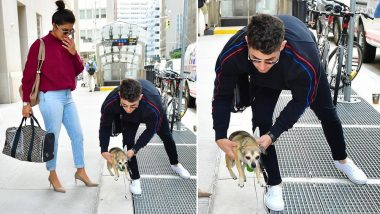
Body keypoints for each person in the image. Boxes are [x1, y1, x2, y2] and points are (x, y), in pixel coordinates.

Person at [212, 14, 368, 211]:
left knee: (328, 115)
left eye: (269, 60)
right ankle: (274, 183)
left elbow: (301, 101)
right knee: (261, 123)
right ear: (246, 43)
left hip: (296, 66)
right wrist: (219, 135)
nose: (261, 67)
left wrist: (275, 133)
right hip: (265, 84)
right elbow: (222, 96)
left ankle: (342, 160)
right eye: (255, 58)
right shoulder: (232, 53)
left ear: (282, 46)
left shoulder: (305, 59)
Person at [21, 0, 98, 193]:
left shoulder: (68, 44)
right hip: (50, 98)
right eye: (65, 30)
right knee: (52, 138)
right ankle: (52, 173)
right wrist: (26, 103)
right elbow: (28, 75)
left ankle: (80, 170)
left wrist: (74, 53)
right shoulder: (39, 46)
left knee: (78, 135)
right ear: (54, 26)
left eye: (71, 31)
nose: (68, 34)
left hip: (67, 96)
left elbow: (79, 70)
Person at [99, 78, 190, 195]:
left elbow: (151, 130)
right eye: (124, 105)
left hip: (148, 109)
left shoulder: (154, 106)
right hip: (129, 121)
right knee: (128, 143)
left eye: (132, 106)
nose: (128, 110)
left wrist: (136, 149)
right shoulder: (110, 102)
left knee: (167, 137)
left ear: (140, 97)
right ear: (119, 95)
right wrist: (104, 149)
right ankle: (135, 179)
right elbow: (105, 126)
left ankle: (175, 164)